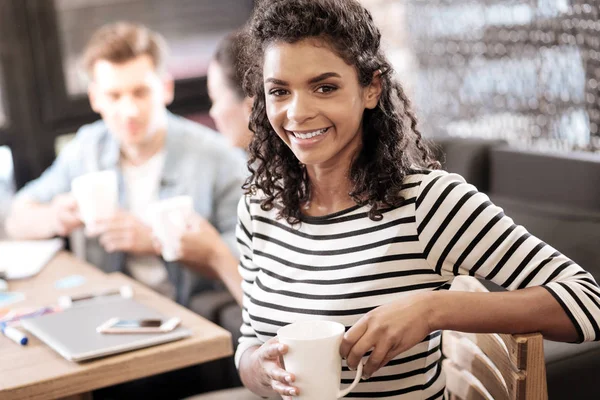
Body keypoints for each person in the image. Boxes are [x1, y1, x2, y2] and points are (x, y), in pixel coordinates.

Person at [192, 0, 600, 399]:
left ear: (371, 88)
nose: (297, 112)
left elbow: (586, 303)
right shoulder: (259, 207)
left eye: (325, 87)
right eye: (279, 91)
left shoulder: (427, 204)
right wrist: (258, 370)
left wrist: (432, 309)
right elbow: (249, 343)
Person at [4, 21, 246, 309]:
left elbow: (250, 254)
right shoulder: (87, 148)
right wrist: (56, 217)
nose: (129, 110)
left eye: (141, 92)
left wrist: (159, 241)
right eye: (114, 96)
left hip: (189, 313)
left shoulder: (217, 155)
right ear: (95, 98)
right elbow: (18, 217)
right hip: (108, 312)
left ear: (165, 88)